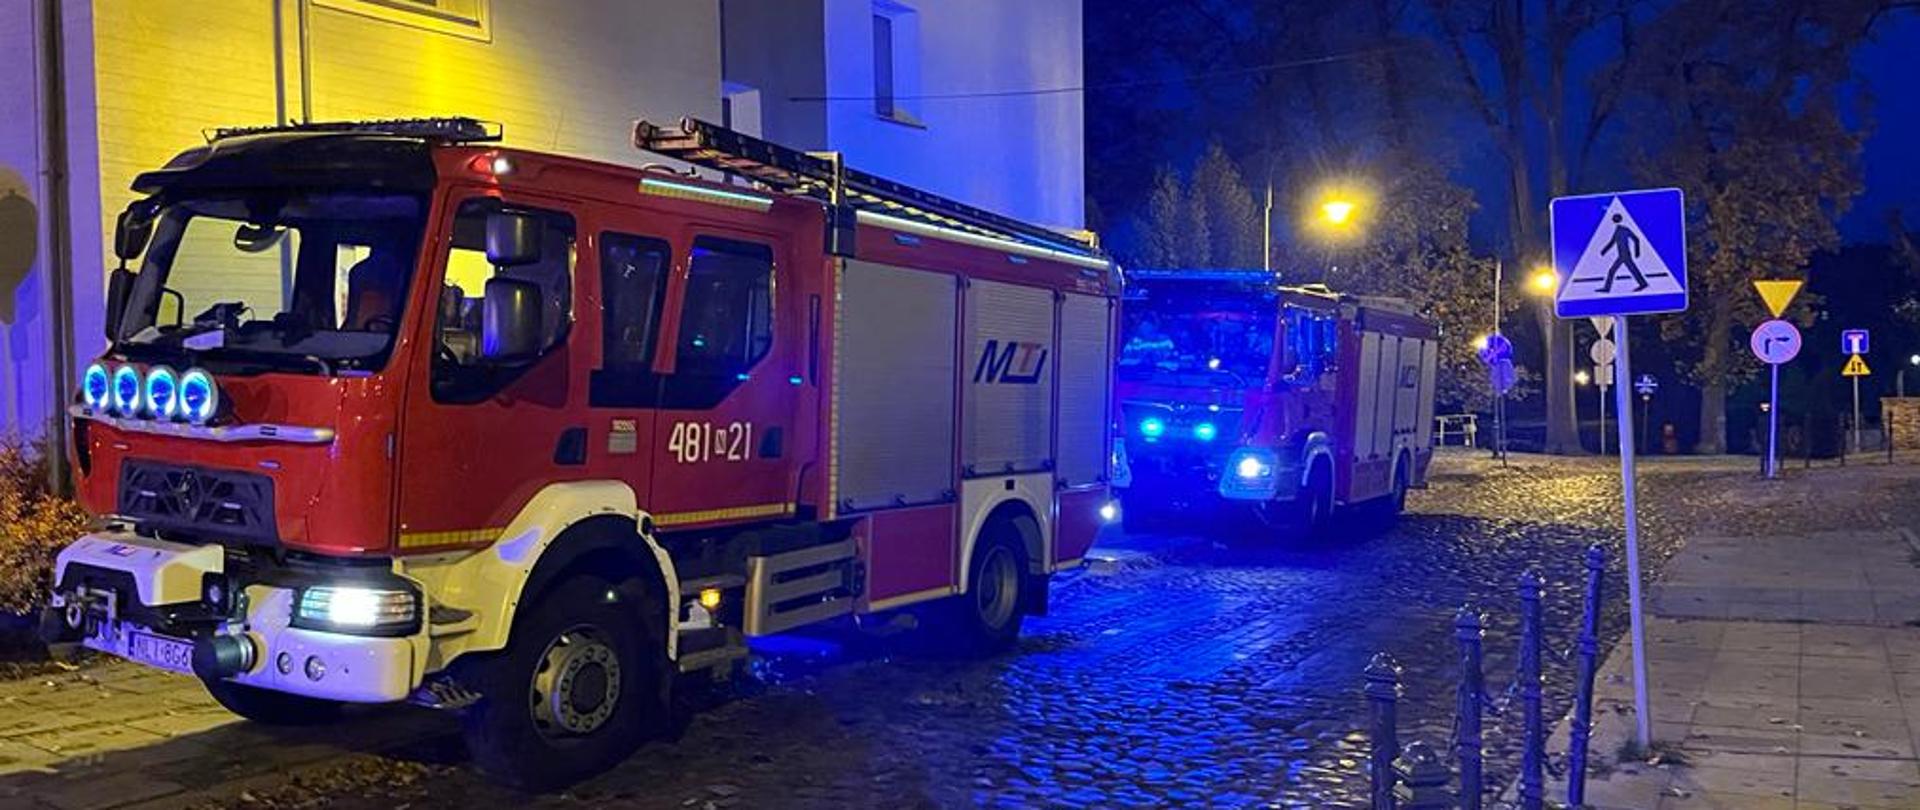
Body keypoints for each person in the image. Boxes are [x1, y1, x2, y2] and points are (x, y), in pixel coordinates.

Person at [1598, 212, 1647, 293]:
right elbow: (1612, 242)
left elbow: (1636, 239)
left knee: (1613, 271)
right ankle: (1643, 283)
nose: (1613, 221)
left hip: (1625, 255)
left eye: (1614, 219)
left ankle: (1607, 288)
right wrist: (1604, 251)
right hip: (1622, 255)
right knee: (1631, 270)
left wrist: (1637, 252)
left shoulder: (1624, 229)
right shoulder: (1617, 230)